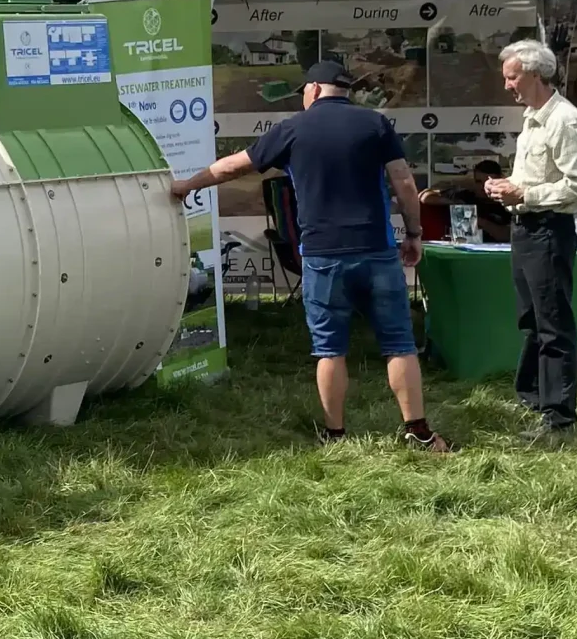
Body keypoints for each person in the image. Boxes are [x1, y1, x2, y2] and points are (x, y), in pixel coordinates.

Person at [172, 60, 449, 452]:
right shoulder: (375, 124)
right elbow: (403, 181)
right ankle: (419, 432)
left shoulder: (291, 129)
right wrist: (415, 233)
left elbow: (233, 167)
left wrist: (188, 185)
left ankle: (335, 435)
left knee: (329, 348)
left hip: (322, 255)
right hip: (376, 249)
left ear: (314, 90)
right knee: (399, 343)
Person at [483, 39, 577, 442]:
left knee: (553, 325)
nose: (507, 86)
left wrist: (525, 195)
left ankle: (559, 418)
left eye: (512, 77)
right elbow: (538, 177)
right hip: (527, 228)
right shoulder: (534, 117)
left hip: (549, 229)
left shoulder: (564, 121)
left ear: (534, 74)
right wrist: (507, 187)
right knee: (532, 319)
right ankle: (532, 398)